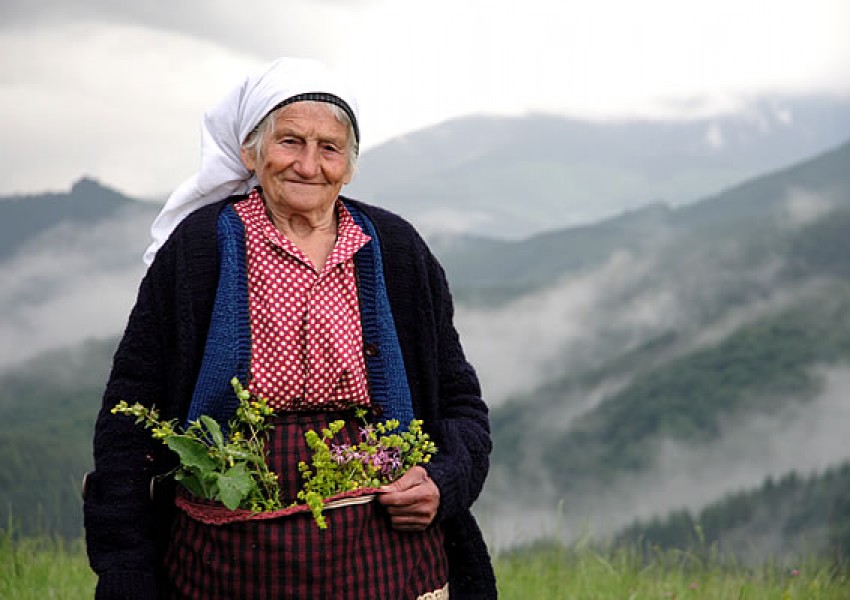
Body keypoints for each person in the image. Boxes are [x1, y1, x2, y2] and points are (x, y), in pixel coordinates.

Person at [83, 57, 496, 599]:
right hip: (230, 555)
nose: (308, 164)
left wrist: (444, 482)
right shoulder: (200, 250)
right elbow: (129, 415)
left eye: (329, 148)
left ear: (349, 165)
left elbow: (461, 402)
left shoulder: (394, 250)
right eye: (289, 142)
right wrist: (125, 566)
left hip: (385, 553)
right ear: (250, 152)